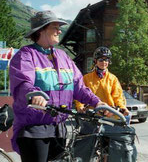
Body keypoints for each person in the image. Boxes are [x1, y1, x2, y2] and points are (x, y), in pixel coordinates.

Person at [9, 10, 107, 162]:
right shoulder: (26, 55)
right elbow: (23, 82)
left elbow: (78, 86)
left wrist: (97, 102)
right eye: (55, 27)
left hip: (59, 129)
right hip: (34, 129)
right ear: (41, 30)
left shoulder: (63, 57)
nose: (59, 31)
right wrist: (34, 94)